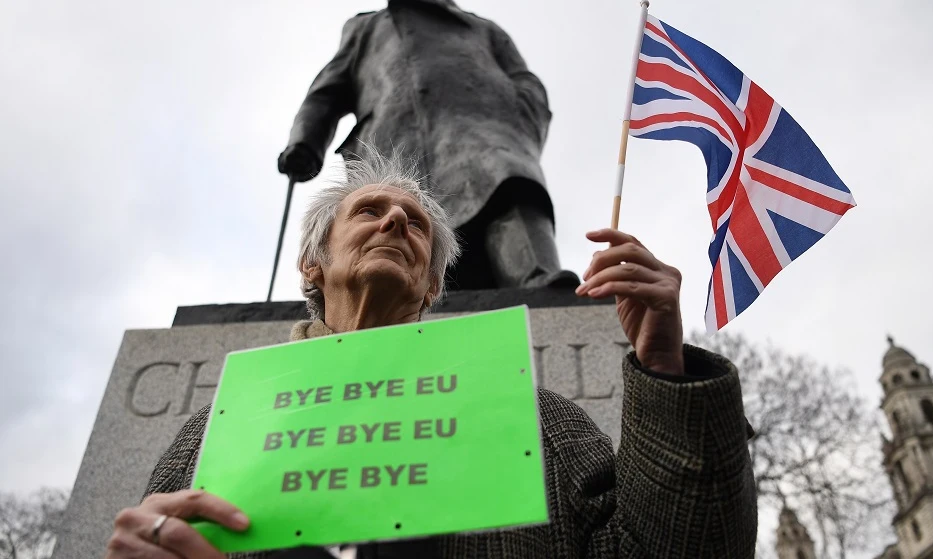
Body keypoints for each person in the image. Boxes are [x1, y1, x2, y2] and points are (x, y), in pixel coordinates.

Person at [106, 150, 758, 558]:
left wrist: (666, 369)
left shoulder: (541, 425)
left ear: (431, 285)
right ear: (312, 261)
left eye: (414, 223)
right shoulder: (212, 433)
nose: (395, 222)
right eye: (370, 210)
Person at [277, 0, 577, 290]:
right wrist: (305, 140)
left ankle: (535, 277)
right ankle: (406, 300)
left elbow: (525, 79)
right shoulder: (366, 27)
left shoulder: (482, 28)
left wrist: (518, 111)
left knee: (509, 182)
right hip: (394, 141)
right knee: (402, 228)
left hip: (481, 127)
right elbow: (326, 92)